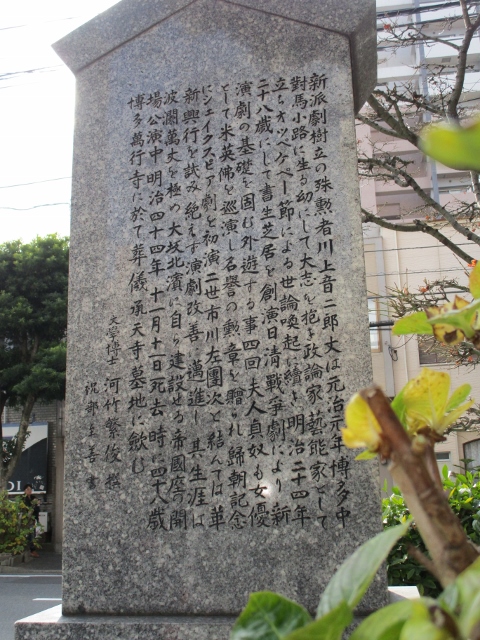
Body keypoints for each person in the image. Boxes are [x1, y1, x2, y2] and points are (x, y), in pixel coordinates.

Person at [22, 484, 40, 558]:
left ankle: (32, 549)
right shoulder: (23, 498)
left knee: (33, 533)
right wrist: (33, 504)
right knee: (28, 534)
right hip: (26, 519)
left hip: (33, 518)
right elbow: (26, 508)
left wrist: (37, 505)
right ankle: (31, 550)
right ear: (25, 490)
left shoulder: (33, 498)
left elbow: (37, 509)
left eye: (30, 489)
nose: (29, 491)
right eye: (28, 489)